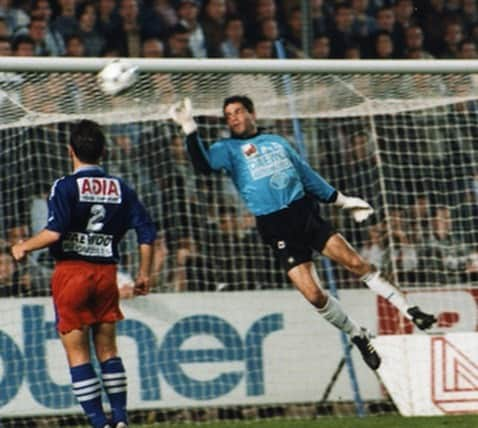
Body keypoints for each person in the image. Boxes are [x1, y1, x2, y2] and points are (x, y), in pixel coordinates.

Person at [169, 96, 437, 371]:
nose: (234, 118)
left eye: (238, 112)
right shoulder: (226, 149)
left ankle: (411, 311)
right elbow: (202, 166)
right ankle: (358, 335)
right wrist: (189, 128)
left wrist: (342, 201)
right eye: (228, 115)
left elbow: (307, 176)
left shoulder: (277, 142)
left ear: (252, 113)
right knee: (314, 296)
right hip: (274, 227)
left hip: (304, 215)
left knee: (357, 264)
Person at [11, 119, 156, 428]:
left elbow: (53, 232)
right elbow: (146, 231)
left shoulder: (64, 185)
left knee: (78, 355)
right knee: (108, 350)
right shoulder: (121, 188)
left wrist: (22, 247)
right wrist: (144, 273)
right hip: (106, 274)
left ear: (70, 151)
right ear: (103, 151)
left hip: (71, 273)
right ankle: (119, 419)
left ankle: (98, 422)